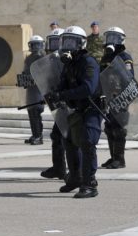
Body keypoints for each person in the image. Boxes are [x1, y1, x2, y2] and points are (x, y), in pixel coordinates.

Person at [46, 26, 102, 198]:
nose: (68, 45)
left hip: (91, 108)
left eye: (72, 41)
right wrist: (54, 94)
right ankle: (76, 178)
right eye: (65, 41)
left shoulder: (88, 62)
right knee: (68, 141)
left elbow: (88, 88)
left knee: (87, 144)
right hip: (76, 109)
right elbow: (64, 83)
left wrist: (62, 94)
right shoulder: (69, 64)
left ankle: (90, 183)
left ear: (82, 43)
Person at [99, 27, 133, 169]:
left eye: (115, 38)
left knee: (119, 128)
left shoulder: (125, 57)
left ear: (121, 40)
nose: (111, 41)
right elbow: (100, 77)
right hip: (109, 97)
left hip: (122, 96)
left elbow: (129, 77)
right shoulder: (105, 58)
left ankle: (120, 160)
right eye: (109, 37)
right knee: (109, 127)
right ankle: (113, 157)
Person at [40, 28, 67, 180]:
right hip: (59, 102)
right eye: (52, 41)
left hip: (70, 103)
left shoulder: (67, 59)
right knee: (57, 135)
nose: (54, 45)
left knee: (69, 137)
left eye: (58, 41)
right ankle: (59, 168)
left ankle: (73, 170)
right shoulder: (51, 61)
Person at [21, 35, 46, 146]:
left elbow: (44, 74)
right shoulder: (28, 57)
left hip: (38, 89)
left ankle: (39, 136)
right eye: (33, 44)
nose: (35, 47)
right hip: (30, 89)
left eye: (37, 44)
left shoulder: (43, 57)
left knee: (36, 113)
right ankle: (34, 134)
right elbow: (25, 70)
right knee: (31, 113)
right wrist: (22, 78)